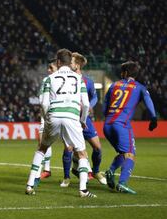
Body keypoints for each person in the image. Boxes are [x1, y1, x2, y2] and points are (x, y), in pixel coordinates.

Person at [25, 49, 96, 198]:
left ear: (58, 62)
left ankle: (30, 184)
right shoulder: (79, 79)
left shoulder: (48, 79)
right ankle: (83, 190)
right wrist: (82, 121)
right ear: (70, 62)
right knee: (82, 153)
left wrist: (48, 119)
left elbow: (44, 103)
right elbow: (85, 104)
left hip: (54, 116)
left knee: (42, 148)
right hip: (71, 117)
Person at [103, 61, 157, 194]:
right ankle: (122, 183)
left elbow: (105, 107)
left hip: (107, 125)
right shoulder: (139, 87)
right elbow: (149, 102)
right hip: (122, 125)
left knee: (123, 153)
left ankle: (110, 171)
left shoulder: (114, 85)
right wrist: (154, 118)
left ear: (125, 73)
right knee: (130, 155)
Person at [60, 52, 107, 187]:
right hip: (70, 117)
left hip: (85, 119)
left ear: (78, 65)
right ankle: (66, 177)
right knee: (68, 148)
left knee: (97, 147)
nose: (69, 64)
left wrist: (90, 106)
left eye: (72, 62)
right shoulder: (67, 79)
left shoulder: (88, 82)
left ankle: (96, 171)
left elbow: (94, 97)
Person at [36, 61, 58, 183]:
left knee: (70, 145)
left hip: (54, 114)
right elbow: (41, 98)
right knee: (42, 142)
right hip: (47, 114)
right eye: (48, 67)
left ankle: (84, 171)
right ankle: (46, 170)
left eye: (51, 67)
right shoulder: (47, 80)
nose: (49, 70)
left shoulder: (54, 80)